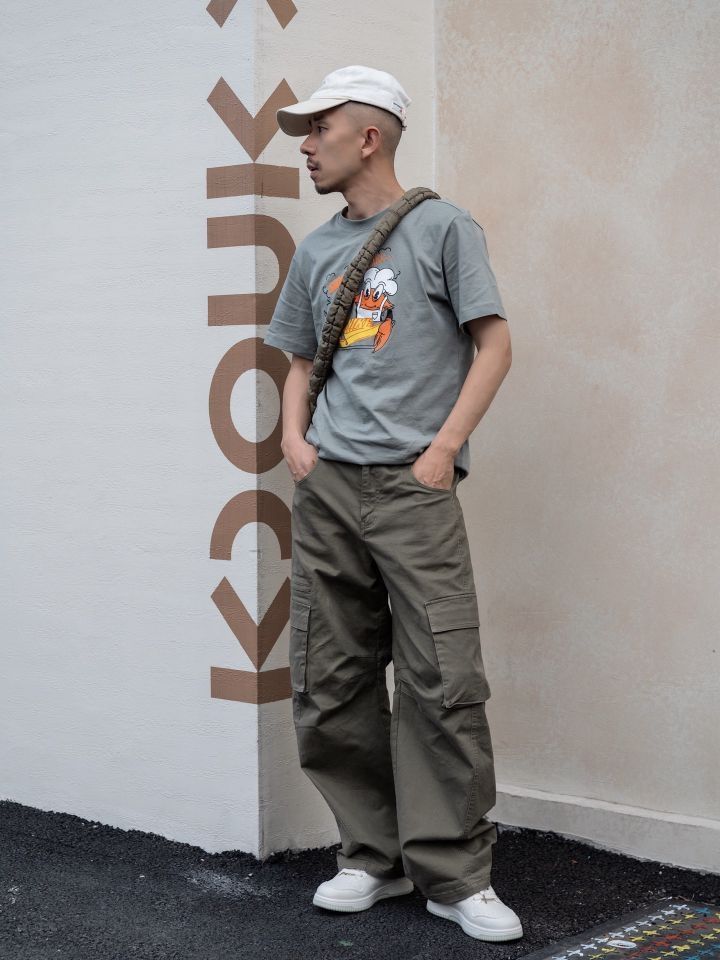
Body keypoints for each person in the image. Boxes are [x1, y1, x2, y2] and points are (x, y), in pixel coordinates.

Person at [264, 64, 523, 943]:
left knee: (442, 676)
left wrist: (442, 452)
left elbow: (494, 344)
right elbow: (300, 359)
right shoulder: (316, 251)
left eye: (319, 129)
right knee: (329, 675)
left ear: (368, 136)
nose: (306, 146)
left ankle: (455, 875)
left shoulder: (445, 229)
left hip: (414, 488)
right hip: (330, 486)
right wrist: (295, 444)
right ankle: (371, 857)